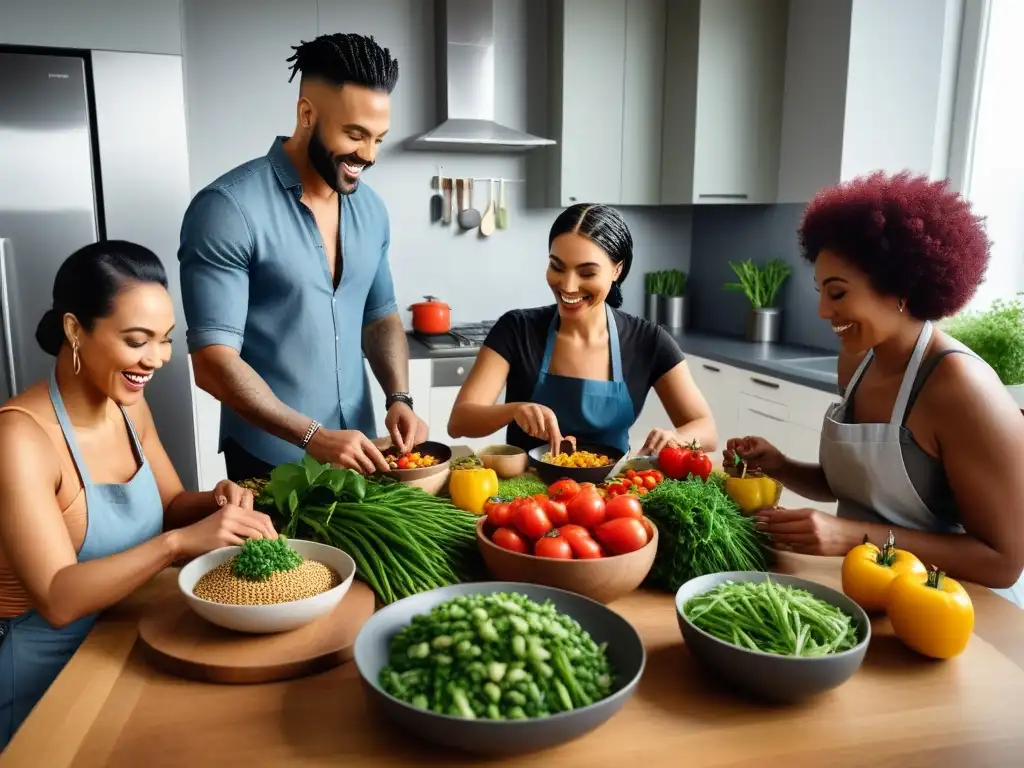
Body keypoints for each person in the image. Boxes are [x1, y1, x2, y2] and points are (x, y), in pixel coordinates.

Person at [0, 242, 276, 748]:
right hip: (44, 680)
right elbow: (60, 599)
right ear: (73, 329)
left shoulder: (127, 407)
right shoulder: (20, 439)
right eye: (136, 340)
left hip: (125, 640)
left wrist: (216, 501)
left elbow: (172, 508)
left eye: (165, 340)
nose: (157, 359)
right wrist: (178, 545)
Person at [725, 171, 1024, 604]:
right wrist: (781, 465)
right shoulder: (858, 360)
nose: (824, 311)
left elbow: (1002, 561)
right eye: (821, 292)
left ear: (901, 288)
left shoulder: (961, 388)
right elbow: (861, 487)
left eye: (838, 293)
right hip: (870, 587)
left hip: (954, 606)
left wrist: (852, 535)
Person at [178, 32, 427, 483]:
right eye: (354, 135)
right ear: (307, 115)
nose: (368, 156)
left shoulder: (371, 209)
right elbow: (213, 363)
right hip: (268, 462)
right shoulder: (227, 209)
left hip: (361, 452)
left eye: (378, 139)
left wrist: (400, 397)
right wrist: (314, 437)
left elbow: (380, 318)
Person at [448, 203, 716, 457]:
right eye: (557, 267)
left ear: (617, 270)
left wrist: (678, 438)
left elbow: (706, 429)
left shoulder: (649, 341)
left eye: (587, 273)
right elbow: (460, 421)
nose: (568, 286)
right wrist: (514, 410)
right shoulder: (517, 329)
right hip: (525, 497)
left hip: (612, 496)